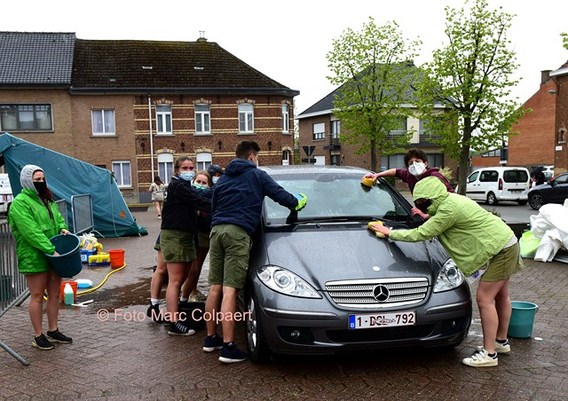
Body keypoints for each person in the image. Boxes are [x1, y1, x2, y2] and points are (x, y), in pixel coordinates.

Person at [370, 176, 524, 368]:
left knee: (485, 299)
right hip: (506, 242)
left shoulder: (448, 209)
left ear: (432, 198)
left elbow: (422, 234)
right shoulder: (450, 200)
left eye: (423, 202)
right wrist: (428, 217)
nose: (421, 205)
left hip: (501, 249)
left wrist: (389, 232)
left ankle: (489, 354)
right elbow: (446, 219)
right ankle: (500, 342)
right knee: (501, 296)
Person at [203, 140, 307, 363]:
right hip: (236, 232)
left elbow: (213, 207)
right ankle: (229, 347)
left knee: (215, 288)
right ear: (251, 157)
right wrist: (298, 203)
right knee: (231, 289)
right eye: (257, 158)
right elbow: (281, 196)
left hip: (216, 231)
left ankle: (211, 339)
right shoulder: (256, 175)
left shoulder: (223, 180)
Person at [7, 165, 72, 350]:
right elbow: (31, 232)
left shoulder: (46, 198)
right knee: (36, 295)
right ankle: (38, 335)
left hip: (53, 254)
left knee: (55, 294)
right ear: (27, 181)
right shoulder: (20, 203)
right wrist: (51, 249)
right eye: (36, 180)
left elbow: (57, 217)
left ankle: (53, 330)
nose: (41, 182)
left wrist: (62, 228)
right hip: (35, 255)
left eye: (42, 178)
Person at [160, 157, 211, 336]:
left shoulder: (184, 185)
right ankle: (173, 322)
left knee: (182, 277)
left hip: (185, 235)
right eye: (184, 167)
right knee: (175, 280)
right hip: (176, 235)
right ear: (176, 170)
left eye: (191, 167)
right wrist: (222, 205)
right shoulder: (178, 186)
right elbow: (198, 201)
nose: (188, 170)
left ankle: (177, 312)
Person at [363, 148, 454, 219]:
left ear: (425, 163)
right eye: (411, 163)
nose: (414, 165)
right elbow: (396, 171)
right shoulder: (409, 175)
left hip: (440, 217)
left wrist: (427, 216)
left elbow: (452, 199)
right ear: (408, 167)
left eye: (417, 161)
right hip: (421, 217)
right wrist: (377, 175)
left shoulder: (435, 177)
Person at [180, 170, 213, 303]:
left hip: (204, 233)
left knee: (198, 265)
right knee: (193, 267)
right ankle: (189, 292)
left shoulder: (209, 196)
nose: (200, 184)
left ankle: (192, 290)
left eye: (204, 183)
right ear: (193, 181)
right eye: (198, 181)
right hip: (194, 234)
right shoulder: (189, 194)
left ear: (209, 185)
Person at [146, 234, 167, 323]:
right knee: (161, 270)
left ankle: (154, 305)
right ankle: (153, 305)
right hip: (170, 233)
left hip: (168, 233)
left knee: (160, 270)